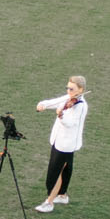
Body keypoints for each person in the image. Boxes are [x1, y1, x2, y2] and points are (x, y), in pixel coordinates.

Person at [36, 75, 88, 212]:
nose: (68, 91)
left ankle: (49, 202)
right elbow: (55, 102)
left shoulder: (81, 106)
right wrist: (43, 105)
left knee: (55, 171)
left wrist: (61, 115)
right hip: (58, 141)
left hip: (66, 145)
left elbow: (70, 124)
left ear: (80, 89)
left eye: (72, 89)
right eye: (68, 88)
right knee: (65, 170)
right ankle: (62, 195)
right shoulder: (68, 98)